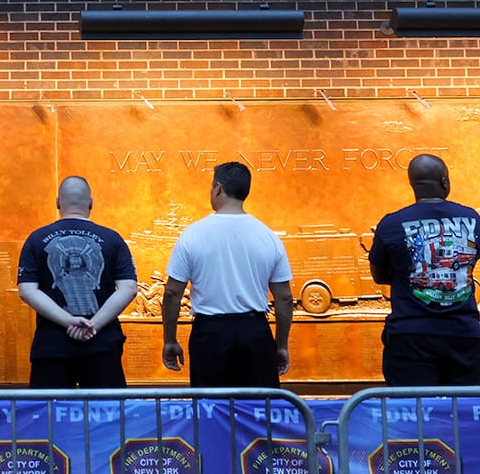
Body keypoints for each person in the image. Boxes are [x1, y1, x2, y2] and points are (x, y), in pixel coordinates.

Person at [161, 161, 293, 387]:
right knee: (258, 406)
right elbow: (284, 298)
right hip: (255, 333)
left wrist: (170, 339)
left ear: (218, 188)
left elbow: (172, 293)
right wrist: (280, 345)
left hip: (209, 334)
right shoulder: (268, 236)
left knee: (212, 405)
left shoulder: (192, 235)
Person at [367, 154, 480, 385]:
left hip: (409, 335)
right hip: (462, 333)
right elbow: (471, 261)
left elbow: (379, 275)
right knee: (463, 404)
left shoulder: (391, 224)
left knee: (412, 405)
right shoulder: (472, 219)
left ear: (412, 184)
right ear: (444, 182)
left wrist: (412, 276)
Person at [16, 176, 137, 388]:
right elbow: (129, 288)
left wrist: (69, 321)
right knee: (106, 409)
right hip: (102, 344)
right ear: (91, 203)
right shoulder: (112, 239)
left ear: (58, 203)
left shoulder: (37, 239)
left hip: (52, 346)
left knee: (51, 409)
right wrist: (94, 325)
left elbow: (27, 290)